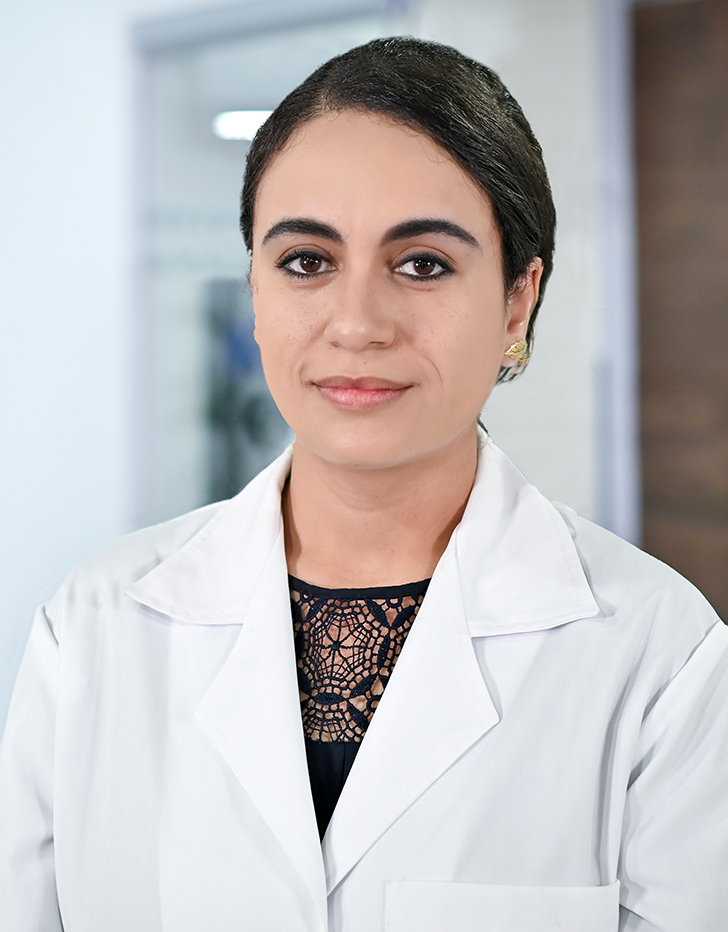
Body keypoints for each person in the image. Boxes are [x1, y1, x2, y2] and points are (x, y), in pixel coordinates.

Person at [1, 36, 726, 932]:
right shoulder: (92, 628)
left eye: (422, 263)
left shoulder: (660, 658)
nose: (356, 323)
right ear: (256, 292)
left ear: (516, 299)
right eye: (306, 260)